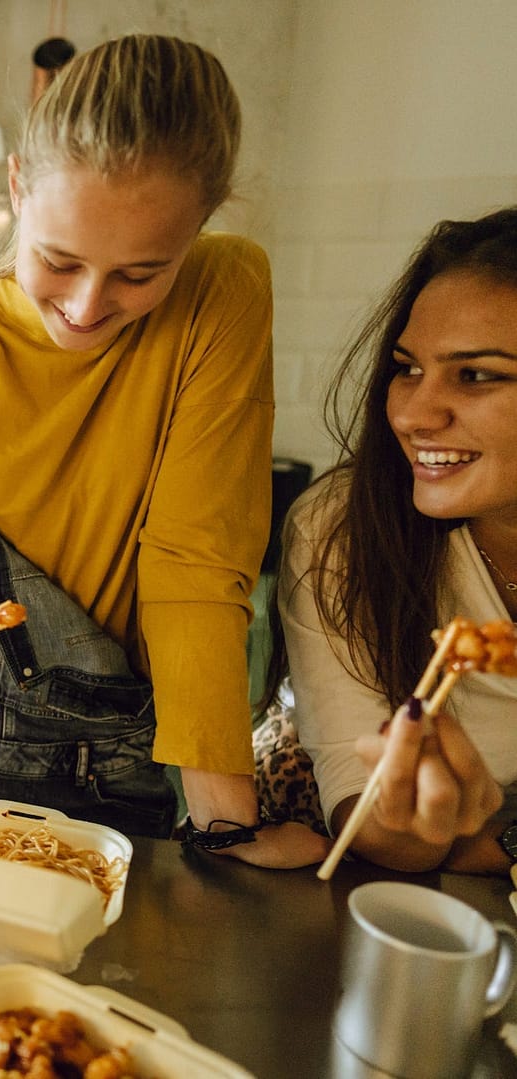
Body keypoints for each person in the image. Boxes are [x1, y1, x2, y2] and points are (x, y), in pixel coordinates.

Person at [0, 33, 327, 867]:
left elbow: (196, 559)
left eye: (140, 273)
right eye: (58, 260)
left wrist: (222, 821)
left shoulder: (224, 294)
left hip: (112, 770)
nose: (84, 304)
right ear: (15, 186)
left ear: (201, 225)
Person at [273, 206, 517, 874]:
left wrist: (488, 846)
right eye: (406, 367)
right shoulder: (340, 527)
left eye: (475, 374)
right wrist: (419, 828)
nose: (411, 414)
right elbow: (368, 825)